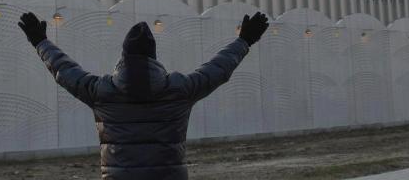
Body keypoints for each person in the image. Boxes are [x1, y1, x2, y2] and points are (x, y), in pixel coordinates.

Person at [18, 11, 269, 180]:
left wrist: (40, 42)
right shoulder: (179, 89)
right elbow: (218, 68)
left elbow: (64, 69)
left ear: (123, 56)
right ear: (153, 57)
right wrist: (244, 40)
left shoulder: (102, 92)